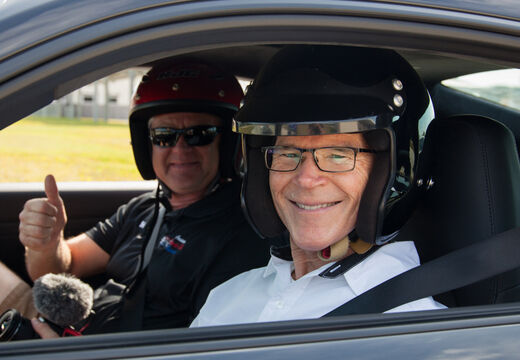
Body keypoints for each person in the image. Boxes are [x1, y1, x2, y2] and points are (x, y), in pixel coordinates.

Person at [0, 60, 270, 338]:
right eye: (163, 137)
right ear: (147, 147)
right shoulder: (144, 210)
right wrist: (47, 243)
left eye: (199, 134)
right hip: (71, 328)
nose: (180, 149)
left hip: (102, 351)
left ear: (227, 144)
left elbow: (207, 345)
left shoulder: (239, 232)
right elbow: (62, 266)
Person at [191, 45, 445, 327]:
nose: (306, 179)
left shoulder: (412, 327)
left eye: (338, 155)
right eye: (287, 153)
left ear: (390, 173)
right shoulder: (227, 297)